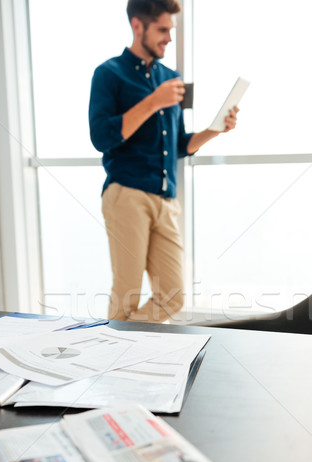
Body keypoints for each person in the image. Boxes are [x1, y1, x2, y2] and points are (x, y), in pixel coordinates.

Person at [89, 0, 238, 322]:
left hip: (166, 200)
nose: (169, 38)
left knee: (173, 296)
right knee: (127, 293)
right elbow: (102, 137)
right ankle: (117, 356)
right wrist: (153, 102)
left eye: (171, 30)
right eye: (163, 29)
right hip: (126, 195)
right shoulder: (108, 74)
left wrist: (215, 131)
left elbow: (180, 144)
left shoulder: (172, 77)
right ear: (137, 26)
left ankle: (116, 345)